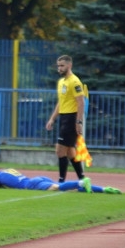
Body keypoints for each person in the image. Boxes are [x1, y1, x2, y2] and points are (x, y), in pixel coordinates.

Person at [46, 55, 86, 183]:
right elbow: (61, 102)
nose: (59, 68)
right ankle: (82, 179)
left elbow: (81, 102)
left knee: (60, 150)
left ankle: (61, 181)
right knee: (70, 152)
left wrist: (78, 122)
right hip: (63, 118)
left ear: (69, 66)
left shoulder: (74, 81)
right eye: (58, 66)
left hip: (71, 118)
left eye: (62, 65)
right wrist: (52, 118)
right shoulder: (61, 82)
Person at [0, 165, 121, 194]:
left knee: (57, 188)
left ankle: (81, 182)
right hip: (37, 179)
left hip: (30, 185)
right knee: (68, 188)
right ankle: (104, 189)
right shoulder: (7, 169)